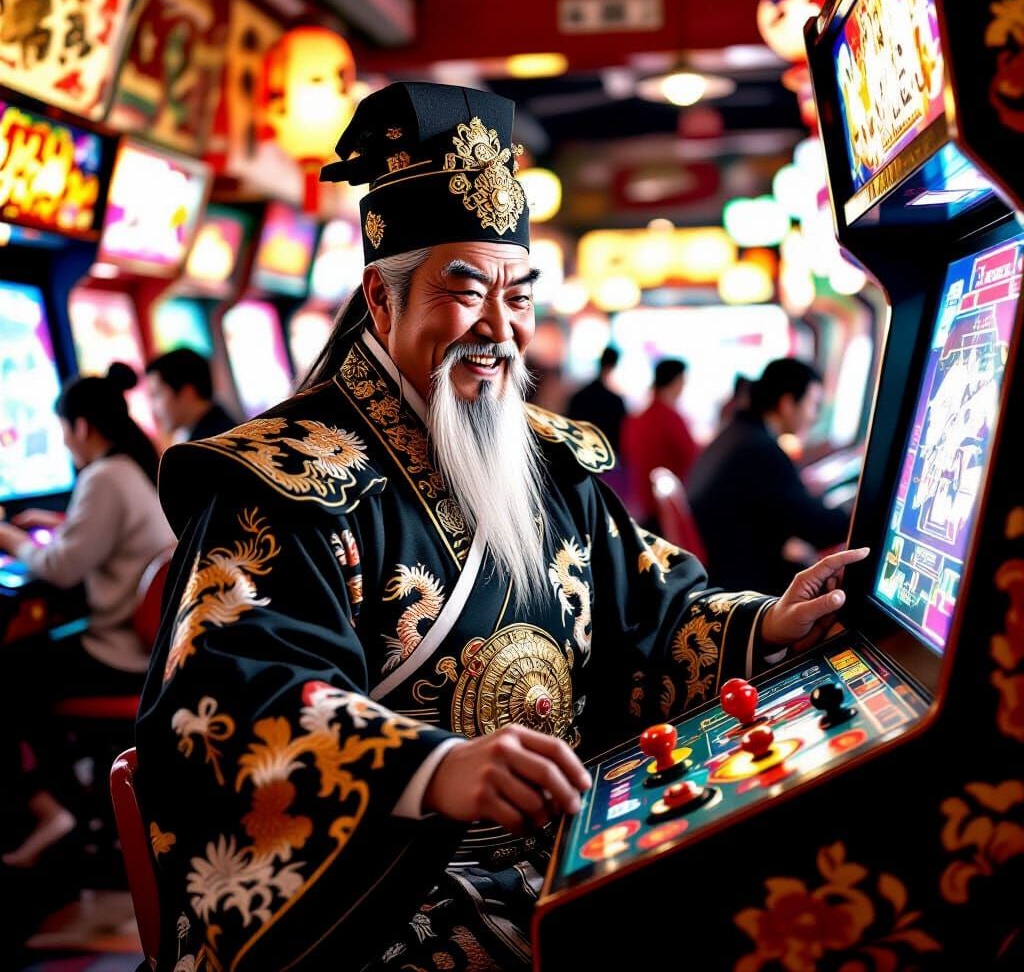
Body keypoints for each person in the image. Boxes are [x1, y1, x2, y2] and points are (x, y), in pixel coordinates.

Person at [135, 83, 867, 972]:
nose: (499, 328)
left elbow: (653, 612)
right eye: (466, 288)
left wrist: (767, 621)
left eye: (518, 294)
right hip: (387, 903)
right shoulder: (280, 486)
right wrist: (436, 771)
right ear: (380, 300)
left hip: (562, 848)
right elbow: (228, 705)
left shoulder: (550, 460)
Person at [0, 363, 175, 867]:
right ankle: (73, 809)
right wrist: (60, 522)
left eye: (62, 431)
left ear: (79, 426)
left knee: (13, 674)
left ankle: (54, 809)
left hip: (120, 653)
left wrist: (9, 537)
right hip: (146, 650)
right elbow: (96, 536)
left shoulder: (104, 476)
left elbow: (61, 565)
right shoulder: (131, 467)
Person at [689, 358, 852, 595]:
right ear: (787, 403)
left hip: (723, 565)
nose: (815, 416)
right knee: (834, 587)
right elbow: (817, 529)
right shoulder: (759, 449)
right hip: (738, 582)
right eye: (813, 405)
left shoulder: (739, 433)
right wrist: (859, 513)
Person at [622, 357, 701, 529]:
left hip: (641, 504)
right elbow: (693, 458)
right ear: (677, 382)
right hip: (667, 510)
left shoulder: (635, 419)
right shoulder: (671, 419)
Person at [145, 348, 237, 443]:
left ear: (187, 393)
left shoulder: (209, 445)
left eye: (156, 395)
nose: (153, 408)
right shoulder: (220, 428)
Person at [568, 346, 627, 454]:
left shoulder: (580, 396)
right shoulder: (615, 401)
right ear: (614, 366)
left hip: (580, 456)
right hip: (605, 459)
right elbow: (620, 438)